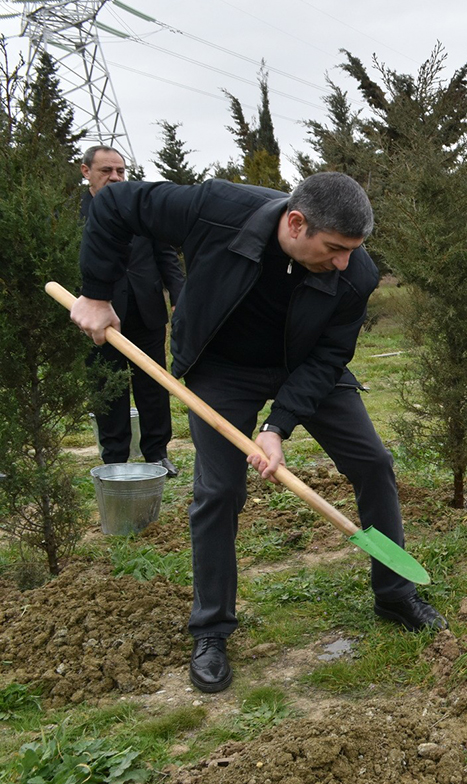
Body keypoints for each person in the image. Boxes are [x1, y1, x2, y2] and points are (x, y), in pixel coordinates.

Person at [70, 172, 446, 694]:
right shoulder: (214, 207)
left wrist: (278, 426)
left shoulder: (356, 272)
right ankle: (211, 629)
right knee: (219, 490)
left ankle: (394, 593)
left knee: (373, 463)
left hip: (307, 365)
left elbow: (331, 355)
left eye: (352, 251)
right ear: (296, 223)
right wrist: (95, 292)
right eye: (334, 248)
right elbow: (114, 204)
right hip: (222, 366)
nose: (344, 263)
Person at [80, 146, 184, 476]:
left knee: (152, 384)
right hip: (100, 315)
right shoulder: (71, 214)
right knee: (108, 387)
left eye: (120, 171)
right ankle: (115, 460)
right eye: (106, 171)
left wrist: (179, 295)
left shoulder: (139, 208)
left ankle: (157, 453)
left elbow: (165, 255)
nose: (115, 177)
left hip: (145, 309)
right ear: (86, 172)